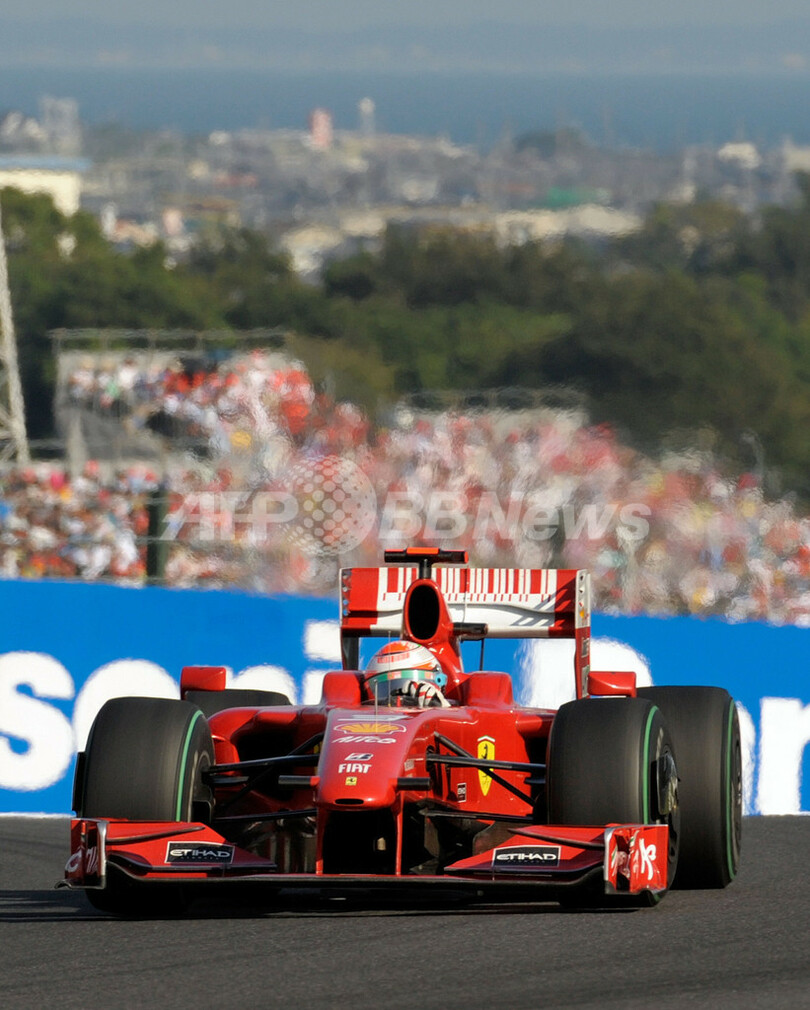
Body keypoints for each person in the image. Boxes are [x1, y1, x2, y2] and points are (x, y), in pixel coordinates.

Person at [364, 640, 449, 708]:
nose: (402, 700)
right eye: (386, 688)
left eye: (414, 692)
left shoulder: (448, 711)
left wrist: (442, 708)